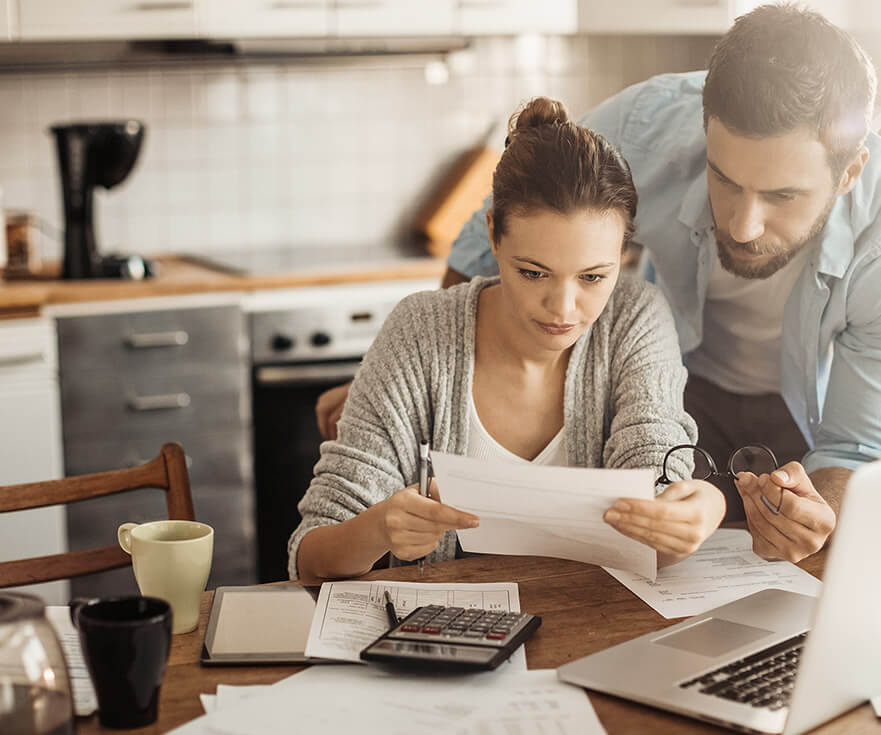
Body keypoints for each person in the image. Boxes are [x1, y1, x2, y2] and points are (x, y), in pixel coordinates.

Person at [318, 3, 879, 565]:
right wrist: (409, 378)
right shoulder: (648, 125)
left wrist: (817, 514)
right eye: (724, 179)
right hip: (674, 382)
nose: (742, 225)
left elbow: (853, 446)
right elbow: (481, 244)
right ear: (704, 130)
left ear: (850, 171)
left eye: (782, 196)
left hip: (804, 420)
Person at [290, 98, 726, 583]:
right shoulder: (420, 331)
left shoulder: (635, 319)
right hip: (444, 641)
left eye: (592, 277)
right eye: (533, 272)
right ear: (494, 236)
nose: (562, 308)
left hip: (592, 631)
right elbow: (311, 557)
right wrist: (378, 530)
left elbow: (655, 489)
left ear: (623, 252)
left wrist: (694, 511)